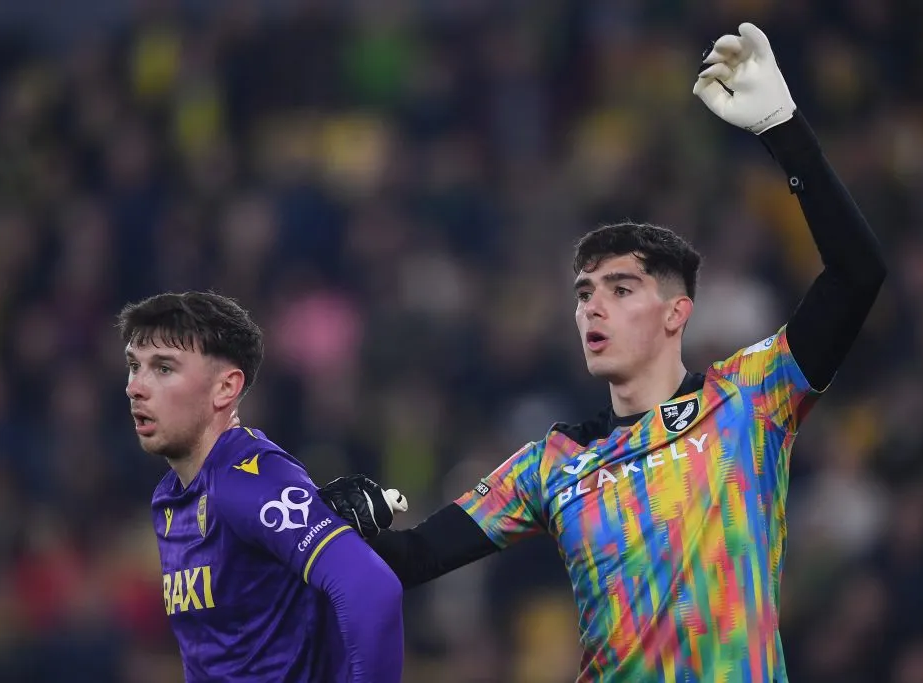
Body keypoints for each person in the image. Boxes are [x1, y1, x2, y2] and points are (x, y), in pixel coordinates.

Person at [319, 22, 887, 683]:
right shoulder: (551, 464)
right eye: (584, 291)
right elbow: (414, 555)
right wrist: (328, 529)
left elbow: (857, 276)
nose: (592, 306)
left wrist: (784, 130)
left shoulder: (750, 399)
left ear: (678, 311)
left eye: (621, 289)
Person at [119, 290, 404, 683]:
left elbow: (372, 589)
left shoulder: (248, 478)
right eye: (135, 366)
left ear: (225, 388)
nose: (136, 386)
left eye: (164, 368)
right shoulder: (170, 496)